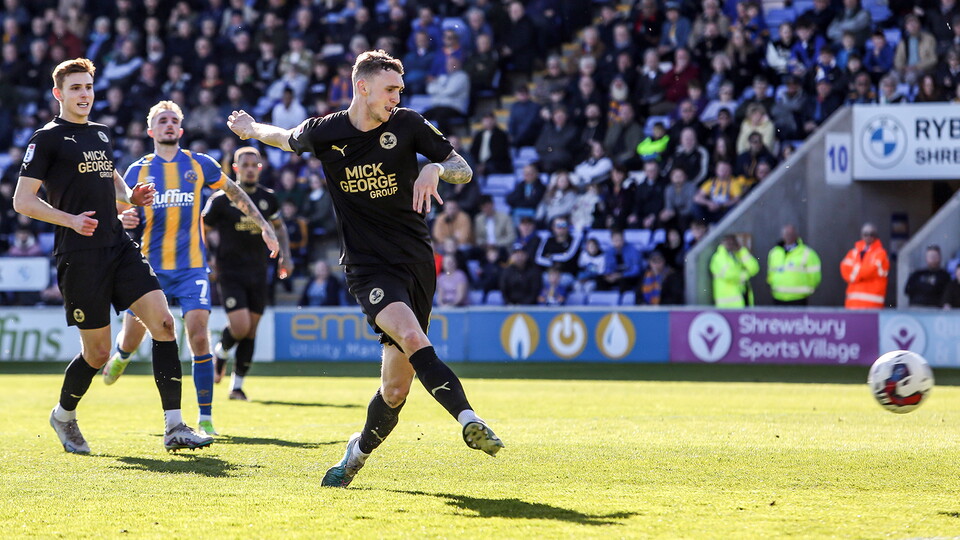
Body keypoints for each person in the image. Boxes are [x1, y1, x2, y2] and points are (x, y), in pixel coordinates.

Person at [227, 50, 503, 488]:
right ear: (363, 87)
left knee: (396, 389)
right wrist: (249, 129)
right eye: (391, 88)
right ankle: (469, 420)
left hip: (415, 261)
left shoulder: (409, 124)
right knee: (414, 337)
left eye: (400, 89)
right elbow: (283, 138)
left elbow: (462, 169)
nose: (398, 96)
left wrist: (433, 167)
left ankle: (354, 457)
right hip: (367, 267)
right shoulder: (327, 131)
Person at [13, 58, 212, 453]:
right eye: (75, 88)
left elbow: (110, 174)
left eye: (88, 87)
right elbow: (22, 201)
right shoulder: (47, 138)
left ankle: (175, 428)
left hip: (120, 246)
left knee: (164, 324)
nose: (84, 94)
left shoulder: (102, 134)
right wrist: (69, 220)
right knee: (98, 352)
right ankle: (64, 415)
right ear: (59, 94)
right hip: (79, 253)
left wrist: (129, 196)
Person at [101, 101, 281, 438]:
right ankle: (123, 354)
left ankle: (206, 418)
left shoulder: (200, 165)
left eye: (174, 121)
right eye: (161, 121)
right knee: (134, 335)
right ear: (151, 131)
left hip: (192, 268)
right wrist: (121, 217)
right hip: (150, 268)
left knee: (199, 335)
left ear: (180, 130)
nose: (168, 125)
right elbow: (120, 208)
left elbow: (234, 192)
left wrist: (265, 227)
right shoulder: (137, 170)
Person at [203, 146, 293, 401]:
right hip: (230, 271)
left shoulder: (268, 198)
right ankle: (220, 353)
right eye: (245, 165)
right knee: (240, 326)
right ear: (235, 168)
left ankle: (237, 386)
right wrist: (206, 257)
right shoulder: (220, 200)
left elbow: (280, 228)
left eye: (255, 165)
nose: (250, 169)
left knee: (252, 330)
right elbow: (203, 228)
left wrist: (286, 255)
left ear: (260, 168)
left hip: (258, 271)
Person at [766, 224, 822, 306]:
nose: (788, 236)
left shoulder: (807, 253)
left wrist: (808, 289)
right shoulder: (774, 252)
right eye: (786, 233)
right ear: (782, 235)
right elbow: (771, 273)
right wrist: (771, 283)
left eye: (790, 234)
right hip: (778, 297)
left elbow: (815, 276)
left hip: (798, 298)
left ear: (796, 235)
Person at [840, 222, 889, 309]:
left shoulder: (880, 253)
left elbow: (869, 271)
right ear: (861, 235)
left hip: (872, 305)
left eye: (872, 234)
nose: (869, 237)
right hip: (852, 304)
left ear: (876, 236)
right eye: (866, 234)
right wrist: (861, 270)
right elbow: (844, 269)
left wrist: (855, 272)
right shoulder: (854, 252)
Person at [709, 234, 759, 307]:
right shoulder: (718, 257)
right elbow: (729, 274)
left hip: (742, 298)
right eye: (728, 242)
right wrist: (745, 275)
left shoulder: (737, 255)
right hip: (727, 303)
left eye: (733, 242)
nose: (731, 244)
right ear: (722, 243)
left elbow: (754, 268)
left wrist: (742, 251)